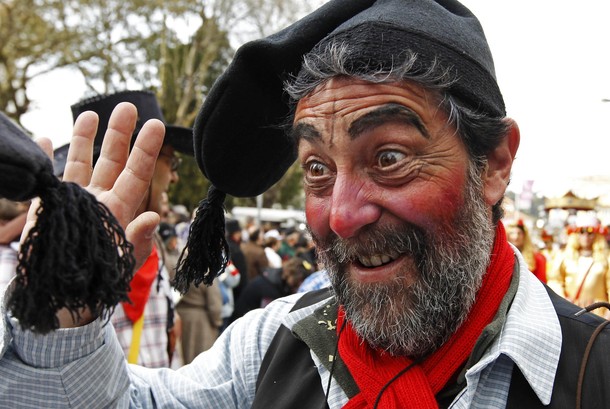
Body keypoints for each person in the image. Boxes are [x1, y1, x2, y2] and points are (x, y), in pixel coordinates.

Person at [2, 1, 610, 407]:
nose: (342, 215)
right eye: (317, 169)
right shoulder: (271, 346)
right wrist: (68, 321)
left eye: (390, 158)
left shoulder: (591, 376)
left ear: (496, 163)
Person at [62, 90, 193, 368]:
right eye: (170, 160)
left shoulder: (150, 247)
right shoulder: (50, 257)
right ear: (134, 160)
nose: (174, 176)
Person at [547, 214, 610, 318]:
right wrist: (563, 299)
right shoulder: (563, 256)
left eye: (590, 233)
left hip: (599, 312)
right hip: (571, 311)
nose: (586, 236)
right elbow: (555, 281)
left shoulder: (606, 258)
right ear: (576, 234)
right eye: (581, 232)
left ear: (596, 235)